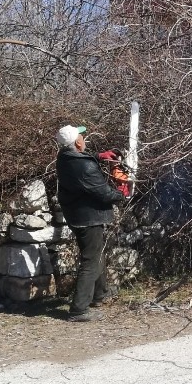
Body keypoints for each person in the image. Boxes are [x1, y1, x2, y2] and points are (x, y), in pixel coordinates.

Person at [54, 124, 127, 321]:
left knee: (96, 253)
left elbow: (82, 160)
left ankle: (100, 294)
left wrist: (100, 156)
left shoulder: (64, 157)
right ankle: (79, 309)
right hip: (88, 217)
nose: (84, 139)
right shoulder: (84, 167)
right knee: (90, 260)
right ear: (78, 142)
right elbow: (103, 193)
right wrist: (122, 193)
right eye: (82, 137)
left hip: (78, 215)